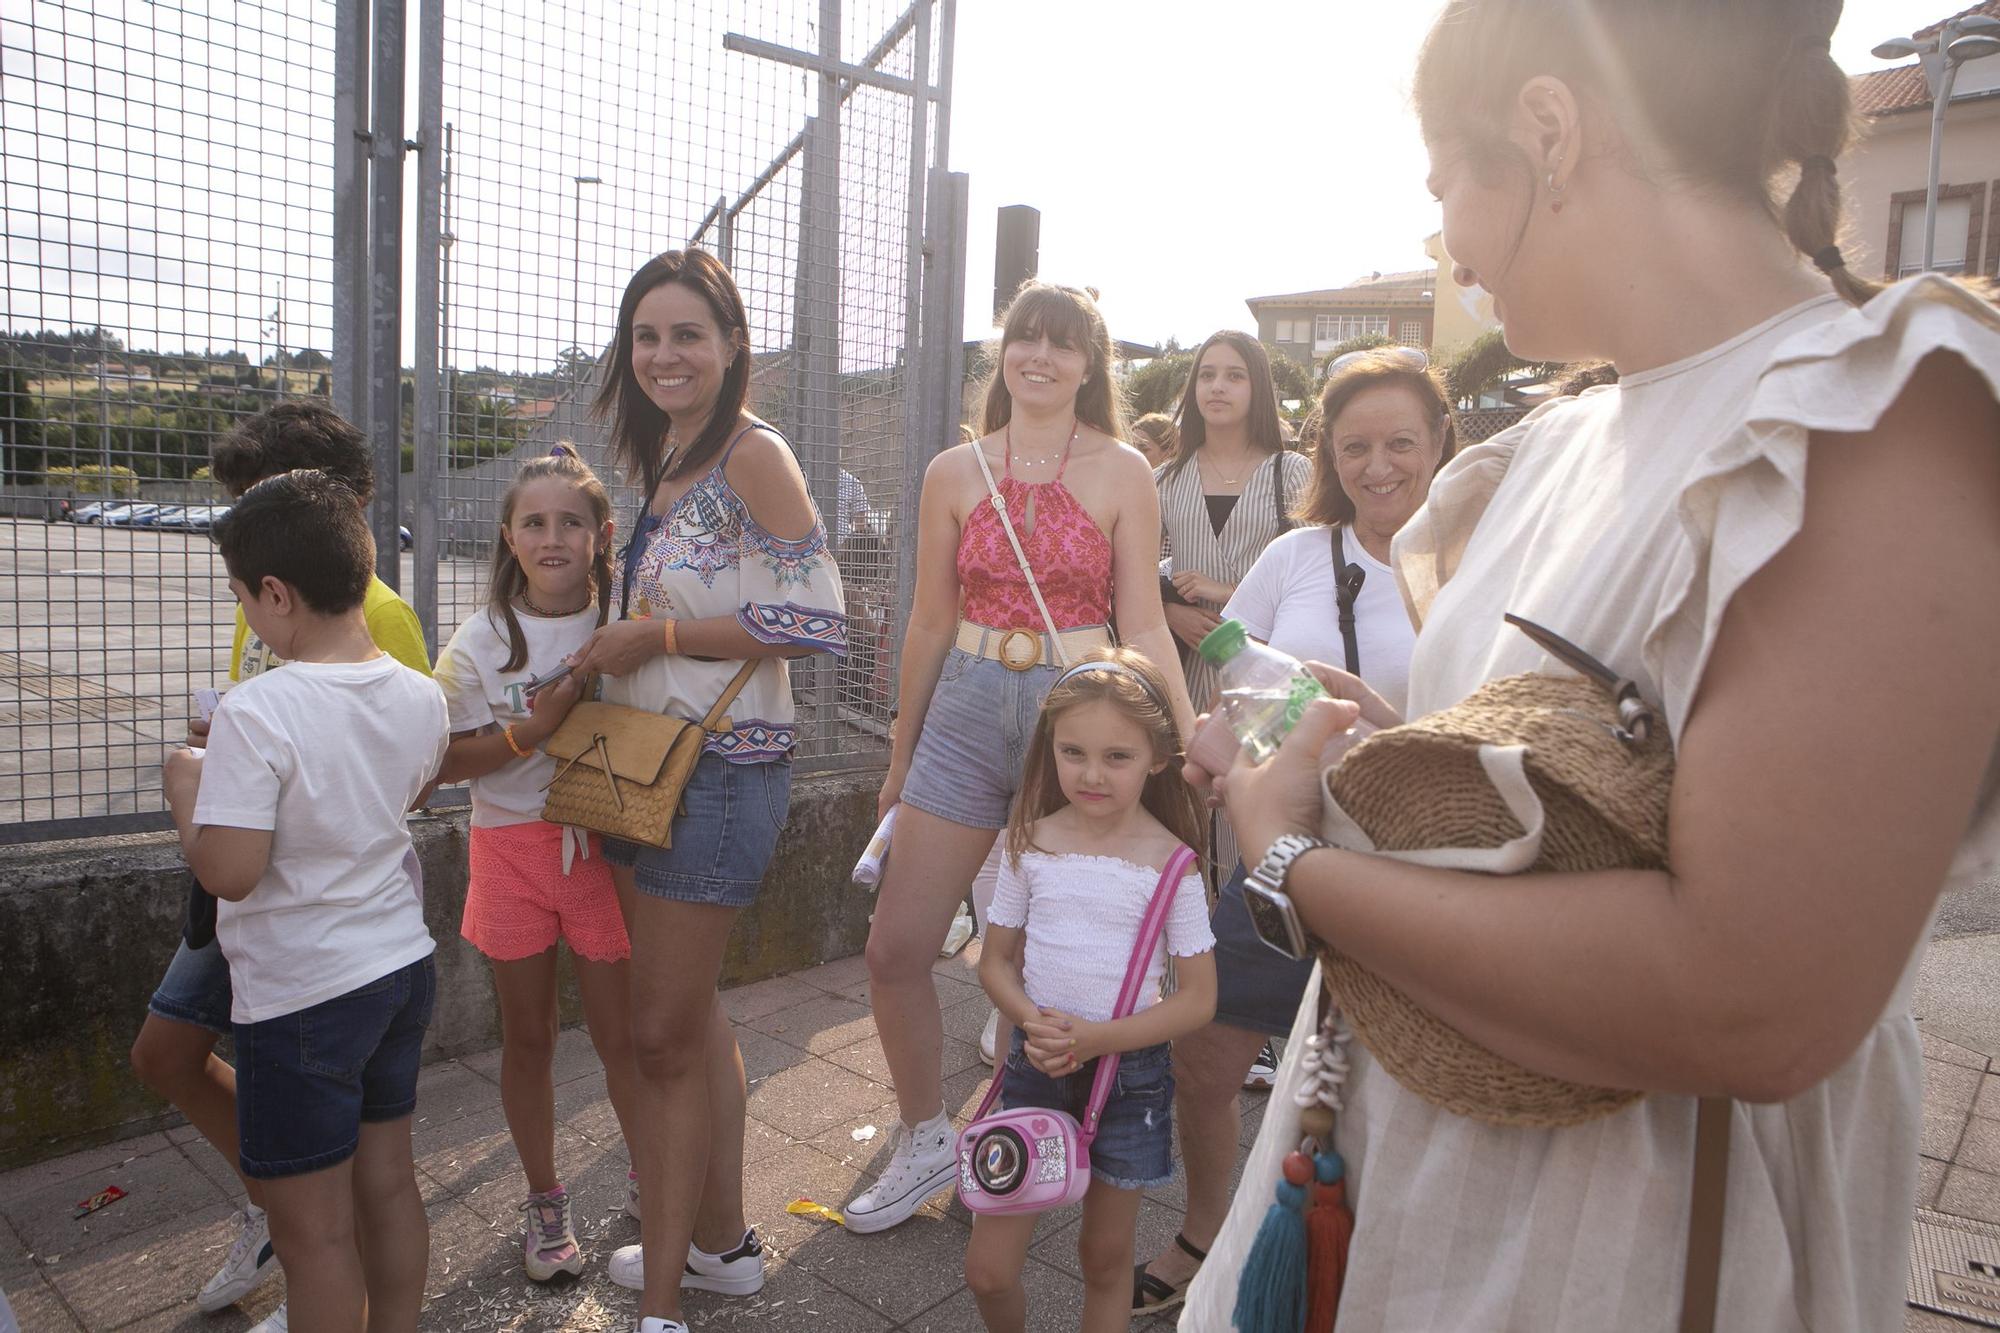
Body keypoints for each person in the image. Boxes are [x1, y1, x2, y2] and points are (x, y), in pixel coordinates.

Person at [1182, 2, 2000, 1329]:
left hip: (1614, 1260)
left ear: (1548, 132)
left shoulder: (1873, 417)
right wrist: (1399, 759)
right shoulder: (1554, 447)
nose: (1443, 231)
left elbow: (1752, 1000)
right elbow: (1587, 796)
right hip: (1421, 1216)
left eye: (1445, 182)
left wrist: (1293, 862)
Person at [850, 282, 1193, 1235]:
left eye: (1061, 342)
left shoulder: (1126, 469)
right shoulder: (954, 470)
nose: (1038, 356)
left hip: (1072, 711)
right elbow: (926, 622)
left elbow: (1144, 624)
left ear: (1091, 363)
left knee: (1061, 954)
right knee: (896, 946)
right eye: (1023, 338)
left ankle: (1021, 1141)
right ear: (1004, 351)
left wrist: (1182, 736)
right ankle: (923, 1141)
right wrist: (899, 749)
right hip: (962, 702)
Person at [1132, 346, 1457, 1315]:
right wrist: (1209, 740)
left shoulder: (1482, 562)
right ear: (1325, 453)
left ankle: (1383, 1256)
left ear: (1441, 441)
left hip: (1426, 861)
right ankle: (1205, 1228)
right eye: (1353, 444)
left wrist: (1378, 719)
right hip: (1289, 855)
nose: (1377, 464)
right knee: (1205, 1050)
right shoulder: (1294, 556)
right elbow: (1240, 679)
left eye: (1400, 440)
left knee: (1405, 1076)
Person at [565, 249, 846, 1333]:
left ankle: (673, 1300)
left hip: (720, 772)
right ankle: (722, 1248)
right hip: (646, 762)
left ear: (732, 345)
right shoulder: (671, 454)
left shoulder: (749, 453)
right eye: (646, 336)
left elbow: (818, 618)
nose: (664, 354)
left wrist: (658, 631)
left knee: (658, 1037)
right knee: (688, 1024)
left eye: (687, 334)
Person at [129, 401, 430, 1331]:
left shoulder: (259, 713)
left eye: (241, 595)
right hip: (397, 967)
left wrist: (190, 786)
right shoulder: (419, 694)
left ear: (274, 594)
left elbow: (230, 872)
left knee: (311, 1238)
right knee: (386, 1186)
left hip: (302, 994)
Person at [430, 447, 642, 1283]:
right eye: (534, 522)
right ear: (509, 536)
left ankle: (647, 1171)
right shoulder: (481, 638)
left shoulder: (624, 622)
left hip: (604, 850)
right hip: (509, 851)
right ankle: (545, 1200)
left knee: (623, 1037)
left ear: (602, 534)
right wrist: (533, 727)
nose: (553, 537)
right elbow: (444, 761)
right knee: (529, 1038)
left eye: (571, 521)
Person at [964, 648, 1215, 1333]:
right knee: (987, 1269)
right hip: (1035, 1067)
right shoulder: (1030, 842)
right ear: (1049, 748)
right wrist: (1029, 1021)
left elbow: (1197, 998)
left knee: (1105, 1259)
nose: (1092, 773)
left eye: (1117, 756)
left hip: (1130, 1080)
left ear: (1157, 757)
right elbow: (995, 963)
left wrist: (1097, 1038)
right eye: (1073, 751)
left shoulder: (1174, 865)